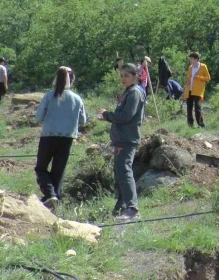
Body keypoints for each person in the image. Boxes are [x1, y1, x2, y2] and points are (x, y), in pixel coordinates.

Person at [98, 63, 146, 221]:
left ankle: (132, 208)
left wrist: (107, 115)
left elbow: (126, 116)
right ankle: (121, 206)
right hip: (122, 139)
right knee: (119, 172)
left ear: (135, 76)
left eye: (127, 75)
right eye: (121, 75)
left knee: (124, 172)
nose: (123, 79)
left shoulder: (134, 93)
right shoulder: (129, 92)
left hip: (126, 139)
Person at [34, 66, 86, 209]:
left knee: (41, 168)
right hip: (68, 137)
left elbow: (38, 117)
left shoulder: (49, 96)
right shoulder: (77, 98)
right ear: (72, 80)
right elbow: (83, 121)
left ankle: (50, 194)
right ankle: (54, 197)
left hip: (48, 135)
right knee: (59, 169)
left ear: (56, 78)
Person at [183, 52, 211, 128]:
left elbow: (208, 78)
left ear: (196, 59)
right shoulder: (190, 67)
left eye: (191, 59)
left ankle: (201, 124)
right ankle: (190, 125)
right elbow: (188, 78)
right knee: (189, 108)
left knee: (197, 108)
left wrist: (198, 77)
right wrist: (187, 81)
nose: (190, 61)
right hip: (189, 90)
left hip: (198, 91)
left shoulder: (203, 66)